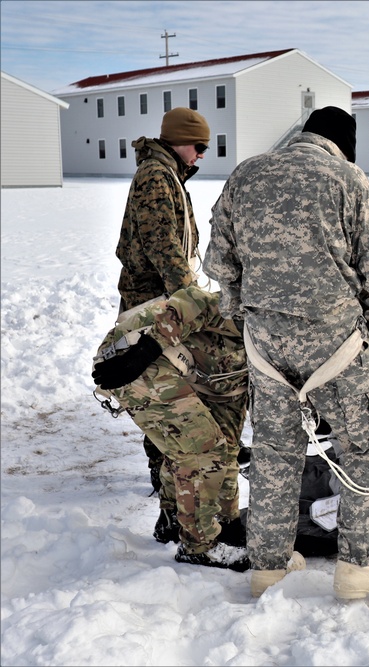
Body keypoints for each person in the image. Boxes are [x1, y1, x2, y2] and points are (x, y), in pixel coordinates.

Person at [204, 106, 369, 599]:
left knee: (276, 455)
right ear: (345, 143)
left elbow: (220, 263)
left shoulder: (246, 174)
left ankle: (269, 567)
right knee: (367, 451)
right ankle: (358, 567)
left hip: (266, 348)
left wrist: (249, 320)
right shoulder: (349, 179)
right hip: (339, 342)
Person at [114, 107, 234, 528]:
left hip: (165, 300)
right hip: (153, 306)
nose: (202, 155)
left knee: (181, 390)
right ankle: (169, 486)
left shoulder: (168, 175)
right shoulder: (155, 176)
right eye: (197, 146)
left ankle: (174, 483)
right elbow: (162, 243)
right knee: (166, 397)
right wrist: (191, 300)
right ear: (178, 141)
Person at [91, 286, 249, 570]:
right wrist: (147, 350)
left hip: (183, 367)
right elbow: (193, 300)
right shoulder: (258, 312)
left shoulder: (253, 368)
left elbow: (230, 446)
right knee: (201, 449)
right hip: (134, 357)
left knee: (216, 446)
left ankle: (174, 518)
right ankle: (199, 547)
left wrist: (230, 521)